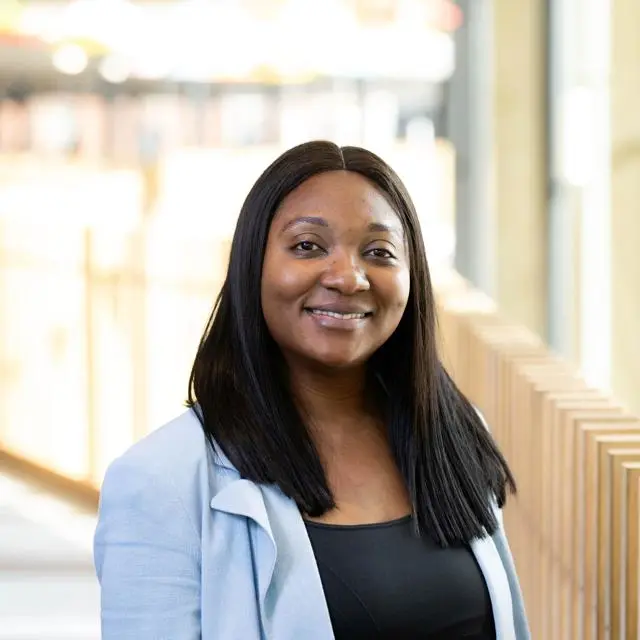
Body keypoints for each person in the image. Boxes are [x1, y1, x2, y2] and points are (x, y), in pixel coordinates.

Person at [94, 140, 530, 639]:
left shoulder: (452, 431)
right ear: (251, 264)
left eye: (378, 252)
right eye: (307, 246)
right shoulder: (160, 480)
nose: (348, 277)